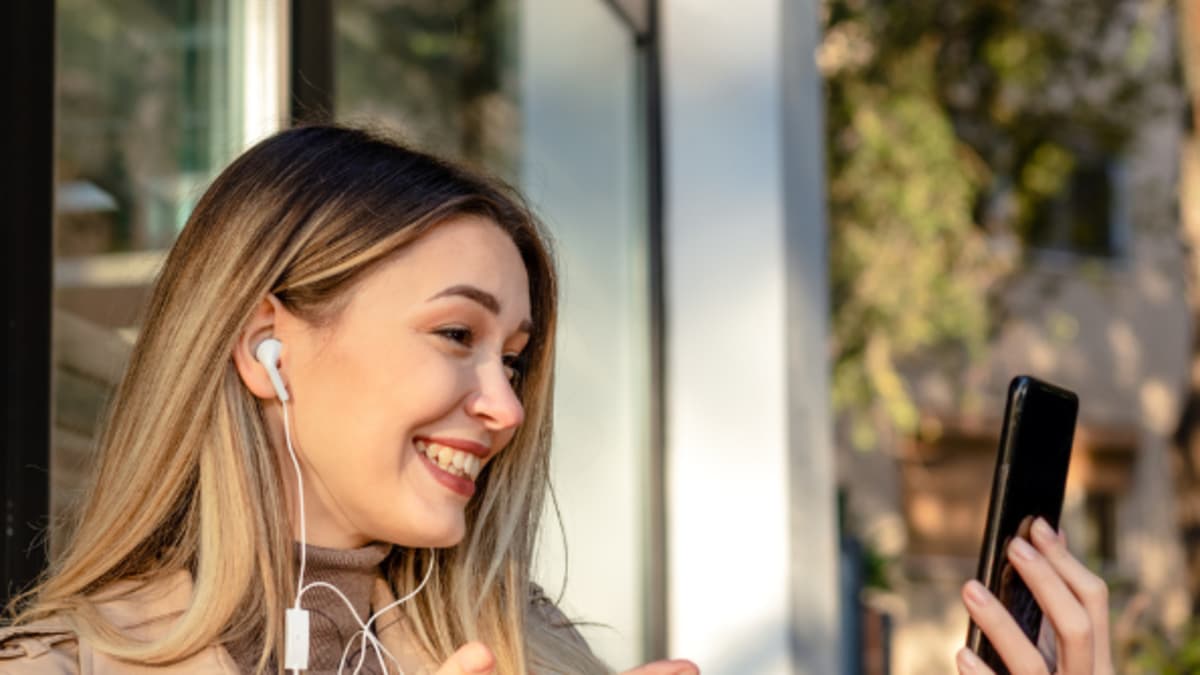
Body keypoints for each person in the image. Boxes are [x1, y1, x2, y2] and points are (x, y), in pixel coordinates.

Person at [0, 125, 699, 675]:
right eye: (457, 333)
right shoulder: (56, 665)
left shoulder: (536, 648)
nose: (507, 408)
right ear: (266, 347)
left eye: (512, 360)